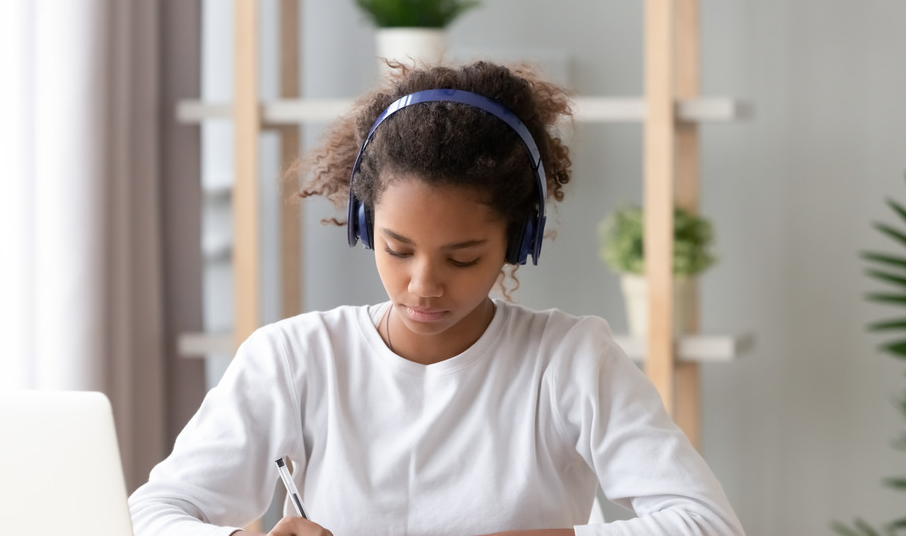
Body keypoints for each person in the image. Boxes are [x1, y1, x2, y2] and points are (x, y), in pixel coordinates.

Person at [128, 61, 745, 536]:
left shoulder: (570, 358)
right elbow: (153, 513)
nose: (424, 284)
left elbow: (705, 523)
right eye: (398, 250)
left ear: (518, 239)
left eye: (463, 257)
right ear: (365, 227)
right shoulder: (294, 356)